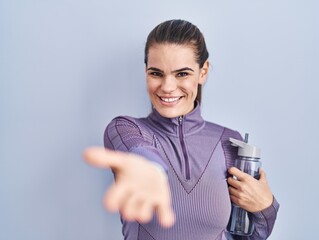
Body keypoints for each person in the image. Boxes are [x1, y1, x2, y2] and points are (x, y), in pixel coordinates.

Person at [83, 19, 279, 240]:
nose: (167, 87)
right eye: (156, 73)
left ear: (203, 72)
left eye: (182, 74)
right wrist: (152, 171)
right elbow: (141, 152)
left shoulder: (229, 142)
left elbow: (247, 237)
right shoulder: (124, 129)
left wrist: (265, 208)